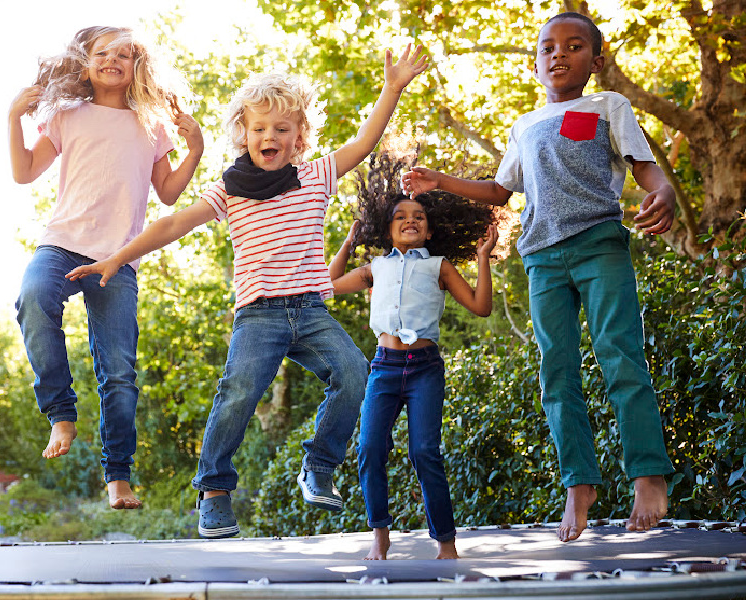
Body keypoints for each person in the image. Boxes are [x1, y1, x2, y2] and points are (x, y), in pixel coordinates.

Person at [66, 45, 429, 537]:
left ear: (299, 136)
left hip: (310, 309)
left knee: (353, 373)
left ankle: (319, 468)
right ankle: (214, 490)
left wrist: (392, 87)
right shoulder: (230, 189)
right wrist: (116, 257)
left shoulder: (316, 174)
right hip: (259, 314)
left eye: (282, 129)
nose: (269, 136)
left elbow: (363, 142)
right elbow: (174, 221)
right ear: (243, 133)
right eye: (259, 128)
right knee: (237, 394)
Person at [402, 12, 675, 543]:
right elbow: (501, 191)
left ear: (595, 62)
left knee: (620, 353)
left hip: (599, 244)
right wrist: (442, 181)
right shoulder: (525, 125)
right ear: (535, 63)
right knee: (557, 371)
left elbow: (645, 168)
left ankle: (647, 474)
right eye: (548, 47)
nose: (558, 54)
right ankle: (579, 485)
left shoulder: (608, 107)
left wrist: (661, 191)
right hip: (542, 259)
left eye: (574, 47)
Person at [9, 26, 204, 509]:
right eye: (103, 53)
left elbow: (169, 193)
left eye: (124, 54)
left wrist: (195, 148)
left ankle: (118, 477)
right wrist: (14, 115)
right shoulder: (66, 116)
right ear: (85, 62)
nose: (113, 60)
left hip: (117, 258)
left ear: (138, 66)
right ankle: (61, 413)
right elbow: (24, 172)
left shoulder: (151, 125)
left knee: (118, 371)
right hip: (62, 243)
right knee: (33, 297)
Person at [329, 152, 499, 559]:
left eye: (418, 217)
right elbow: (330, 283)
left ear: (429, 230)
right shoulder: (375, 268)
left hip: (424, 370)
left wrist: (481, 259)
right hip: (384, 369)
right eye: (401, 216)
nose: (410, 220)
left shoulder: (440, 266)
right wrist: (350, 241)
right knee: (370, 448)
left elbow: (481, 307)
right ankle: (380, 534)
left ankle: (446, 542)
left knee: (425, 451)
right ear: (386, 229)